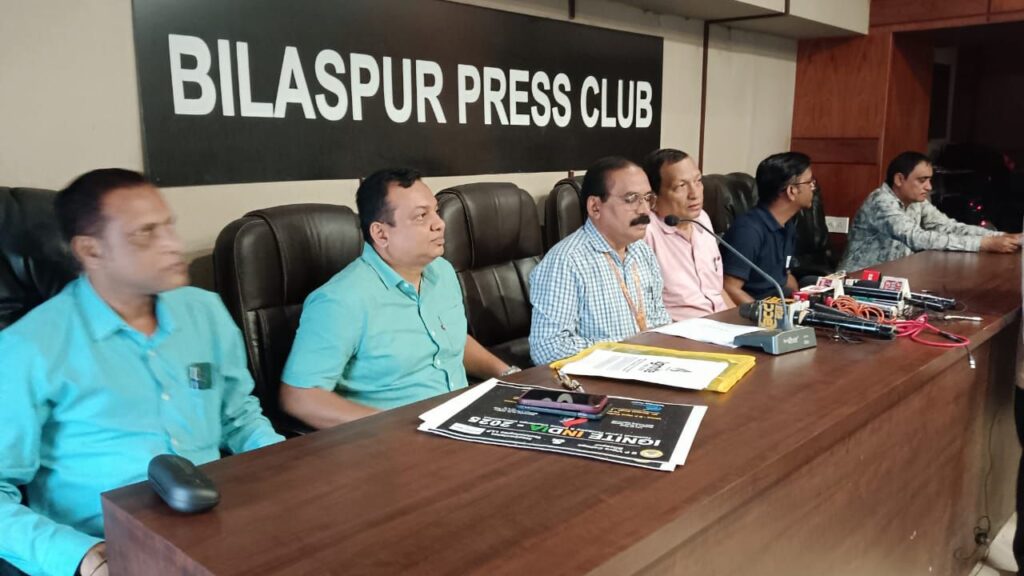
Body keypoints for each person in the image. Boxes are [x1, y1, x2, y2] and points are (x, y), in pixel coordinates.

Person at [0, 169, 283, 576]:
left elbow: (238, 417)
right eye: (145, 233)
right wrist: (81, 555)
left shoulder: (204, 312)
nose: (173, 244)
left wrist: (291, 472)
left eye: (169, 226)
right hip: (108, 547)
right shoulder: (29, 347)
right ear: (91, 251)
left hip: (217, 525)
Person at [279, 168, 513, 429]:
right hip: (395, 439)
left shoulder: (442, 272)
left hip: (465, 422)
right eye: (421, 216)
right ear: (381, 234)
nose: (439, 223)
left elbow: (451, 340)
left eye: (435, 211)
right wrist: (395, 429)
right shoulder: (340, 300)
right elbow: (300, 397)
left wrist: (508, 375)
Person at [528, 156, 671, 365]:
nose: (644, 209)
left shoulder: (642, 251)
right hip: (600, 376)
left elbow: (659, 319)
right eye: (631, 198)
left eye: (648, 198)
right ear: (595, 207)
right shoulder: (567, 261)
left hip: (649, 367)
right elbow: (548, 347)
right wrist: (621, 351)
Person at [840, 151, 1020, 271]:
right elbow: (916, 238)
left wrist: (1002, 237)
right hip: (856, 282)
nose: (929, 187)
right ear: (899, 179)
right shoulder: (881, 201)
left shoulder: (917, 202)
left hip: (893, 278)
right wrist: (983, 244)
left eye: (930, 180)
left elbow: (948, 227)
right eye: (922, 180)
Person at [642, 148, 733, 320]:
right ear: (653, 198)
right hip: (683, 329)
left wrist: (743, 325)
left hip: (721, 323)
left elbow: (716, 290)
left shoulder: (702, 218)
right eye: (681, 186)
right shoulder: (646, 232)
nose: (694, 194)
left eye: (698, 181)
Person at [722, 152, 814, 304]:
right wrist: (761, 314)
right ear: (791, 191)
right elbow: (730, 288)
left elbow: (785, 275)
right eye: (809, 182)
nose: (813, 187)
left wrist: (800, 304)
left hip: (780, 302)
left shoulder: (787, 225)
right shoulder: (748, 231)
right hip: (756, 309)